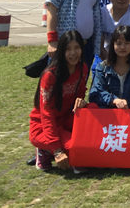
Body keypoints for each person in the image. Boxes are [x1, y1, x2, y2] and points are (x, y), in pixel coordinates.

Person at [29, 30, 89, 171]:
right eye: (68, 49)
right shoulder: (50, 75)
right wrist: (57, 150)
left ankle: (54, 150)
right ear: (61, 51)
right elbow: (46, 114)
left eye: (77, 48)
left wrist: (82, 102)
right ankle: (45, 150)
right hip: (43, 125)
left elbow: (80, 95)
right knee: (73, 148)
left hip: (66, 120)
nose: (73, 53)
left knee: (92, 108)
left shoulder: (82, 68)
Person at [88, 25, 130, 109]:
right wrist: (113, 100)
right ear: (113, 44)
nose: (122, 47)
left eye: (127, 43)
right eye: (119, 43)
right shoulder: (102, 68)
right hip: (108, 114)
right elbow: (95, 93)